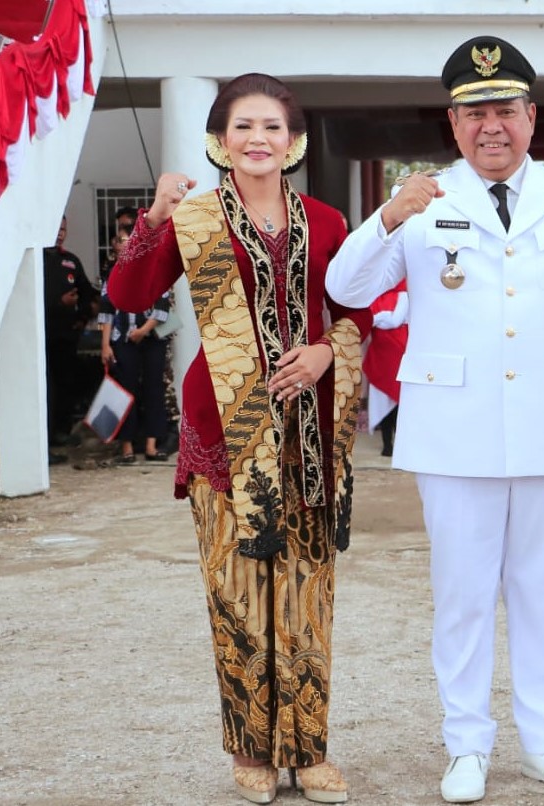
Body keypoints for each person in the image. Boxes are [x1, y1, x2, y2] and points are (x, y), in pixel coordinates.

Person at [325, 36, 544, 804]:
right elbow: (343, 284)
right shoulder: (423, 200)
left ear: (531, 117)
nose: (490, 126)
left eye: (504, 110)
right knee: (461, 594)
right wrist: (387, 216)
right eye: (473, 113)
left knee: (539, 592)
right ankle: (466, 746)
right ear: (452, 124)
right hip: (454, 428)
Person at [108, 72, 370, 805]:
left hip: (309, 433)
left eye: (272, 128)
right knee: (236, 594)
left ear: (296, 143)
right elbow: (129, 297)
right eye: (243, 127)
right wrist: (154, 218)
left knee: (307, 593)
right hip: (224, 431)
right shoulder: (194, 219)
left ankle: (309, 750)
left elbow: (357, 313)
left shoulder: (325, 221)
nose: (258, 139)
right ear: (219, 141)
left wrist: (324, 351)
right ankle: (252, 750)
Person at [99, 228, 171, 464]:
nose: (127, 245)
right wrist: (105, 345)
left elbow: (162, 307)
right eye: (121, 241)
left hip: (151, 338)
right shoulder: (113, 273)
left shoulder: (156, 268)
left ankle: (151, 445)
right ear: (115, 246)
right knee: (125, 390)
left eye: (132, 241)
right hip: (122, 339)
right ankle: (127, 447)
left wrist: (143, 331)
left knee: (153, 388)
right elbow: (106, 311)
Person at [43, 215, 96, 456]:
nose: (60, 232)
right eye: (56, 227)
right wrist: (58, 303)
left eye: (63, 228)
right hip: (42, 336)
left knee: (66, 385)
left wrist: (83, 315)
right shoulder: (36, 258)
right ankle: (45, 434)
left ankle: (61, 431)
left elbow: (87, 294)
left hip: (66, 338)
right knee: (46, 388)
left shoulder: (70, 261)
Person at [364, 279, 408, 456]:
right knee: (381, 399)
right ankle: (387, 444)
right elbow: (368, 319)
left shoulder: (404, 295)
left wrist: (378, 317)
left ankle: (399, 444)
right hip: (380, 352)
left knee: (400, 401)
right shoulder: (373, 295)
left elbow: (394, 320)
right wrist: (378, 318)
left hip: (397, 352)